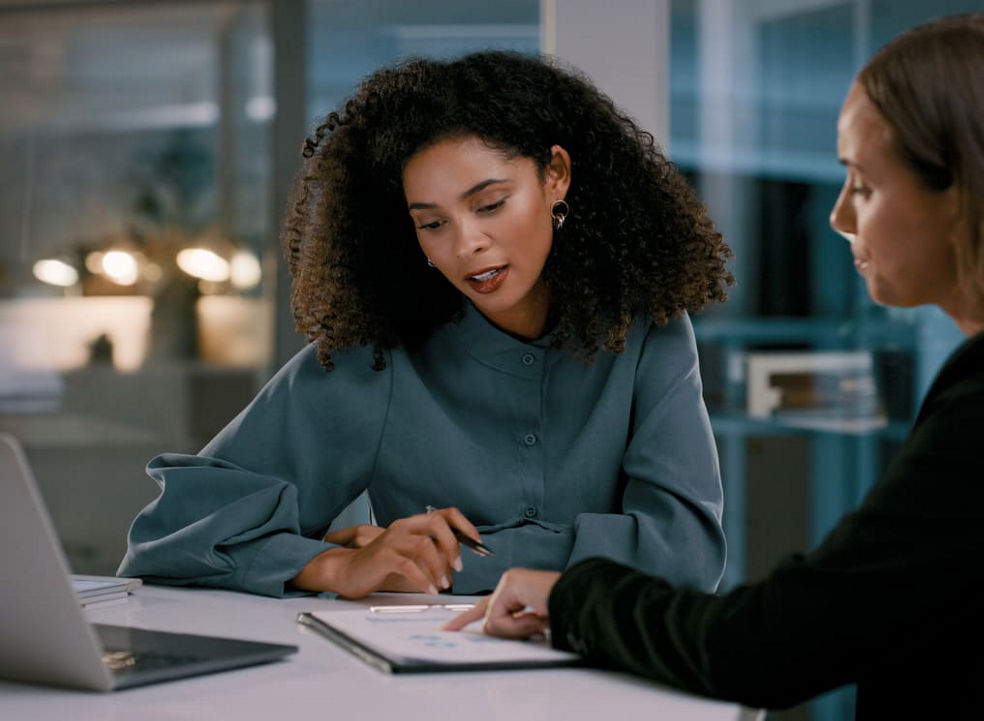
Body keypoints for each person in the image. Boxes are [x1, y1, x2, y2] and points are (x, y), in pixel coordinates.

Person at [447, 14, 984, 718]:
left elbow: (771, 646)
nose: (841, 216)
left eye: (863, 184)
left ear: (968, 197)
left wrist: (573, 595)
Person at [117, 51, 733, 599]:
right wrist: (332, 566)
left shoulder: (648, 330)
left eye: (490, 204)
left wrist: (451, 561)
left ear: (555, 176)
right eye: (432, 223)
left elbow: (685, 557)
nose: (467, 244)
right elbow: (170, 534)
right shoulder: (382, 357)